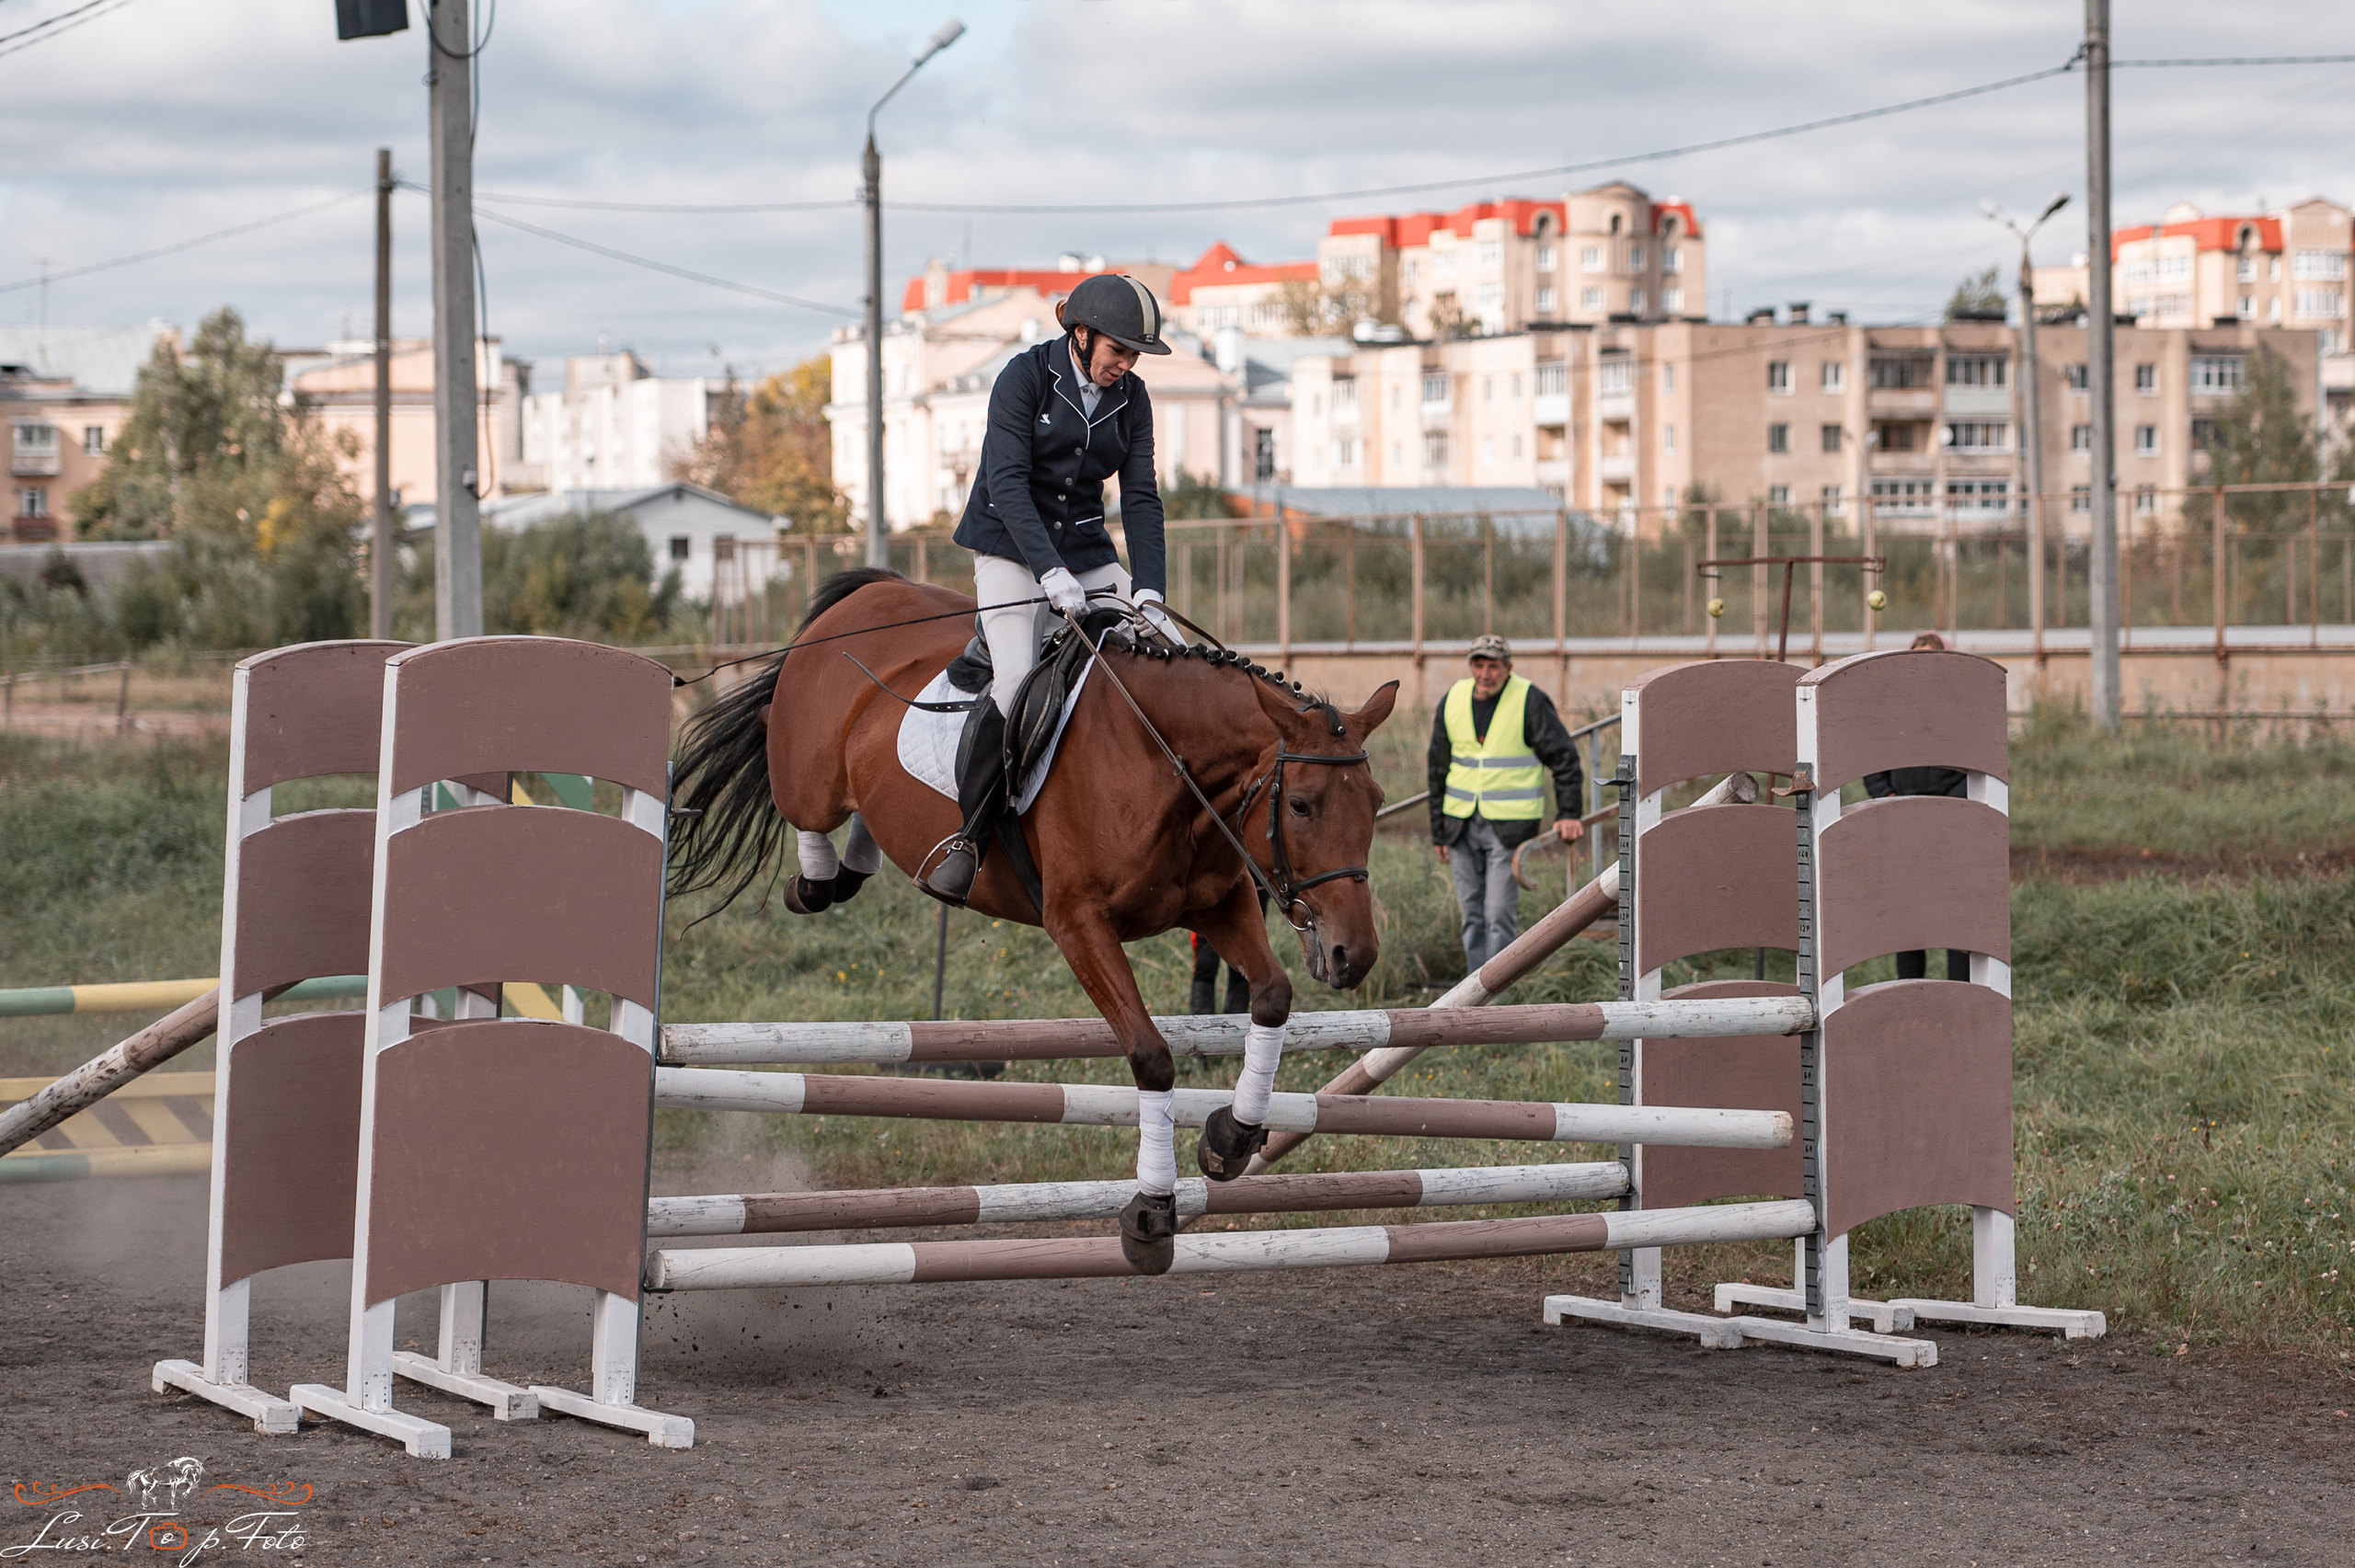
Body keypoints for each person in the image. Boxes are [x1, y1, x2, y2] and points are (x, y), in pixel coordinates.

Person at [929, 272, 1178, 902]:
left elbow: (1140, 497)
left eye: (1136, 356)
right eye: (1119, 351)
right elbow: (1007, 484)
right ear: (1083, 333)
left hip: (1086, 552)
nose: (1126, 365)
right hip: (1011, 547)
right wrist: (1047, 571)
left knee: (1175, 658)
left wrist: (1149, 591)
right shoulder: (1024, 378)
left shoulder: (1133, 398)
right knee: (1016, 680)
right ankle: (969, 837)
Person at [1428, 635, 1585, 974]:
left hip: (1509, 827)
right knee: (1471, 916)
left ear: (1508, 668)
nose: (1485, 674)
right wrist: (1438, 832)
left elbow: (1564, 758)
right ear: (1471, 666)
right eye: (1478, 665)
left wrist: (1569, 813)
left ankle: (1499, 991)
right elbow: (1437, 768)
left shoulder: (1529, 700)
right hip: (1459, 826)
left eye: (1493, 666)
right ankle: (1474, 992)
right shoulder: (1452, 699)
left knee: (1498, 913)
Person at [1863, 631, 1970, 981]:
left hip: (1950, 824)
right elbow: (1873, 763)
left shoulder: (1959, 711)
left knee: (1956, 911)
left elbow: (1975, 770)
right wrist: (1888, 797)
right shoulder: (1893, 711)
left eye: (1931, 659)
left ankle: (1960, 991)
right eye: (1916, 658)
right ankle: (1910, 991)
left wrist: (1949, 809)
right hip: (1902, 821)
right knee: (1908, 915)